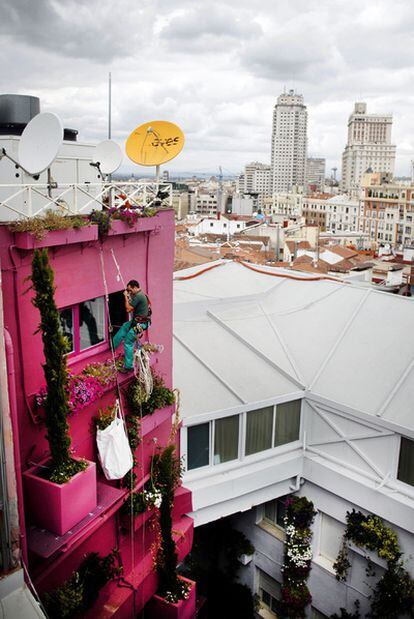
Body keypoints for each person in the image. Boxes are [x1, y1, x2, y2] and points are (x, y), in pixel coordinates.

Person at [112, 280, 151, 371]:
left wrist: (126, 296)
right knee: (125, 326)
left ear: (135, 287)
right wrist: (129, 297)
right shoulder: (139, 295)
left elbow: (128, 309)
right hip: (137, 322)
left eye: (130, 290)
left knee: (128, 341)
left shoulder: (139, 296)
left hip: (141, 324)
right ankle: (113, 345)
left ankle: (128, 366)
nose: (129, 292)